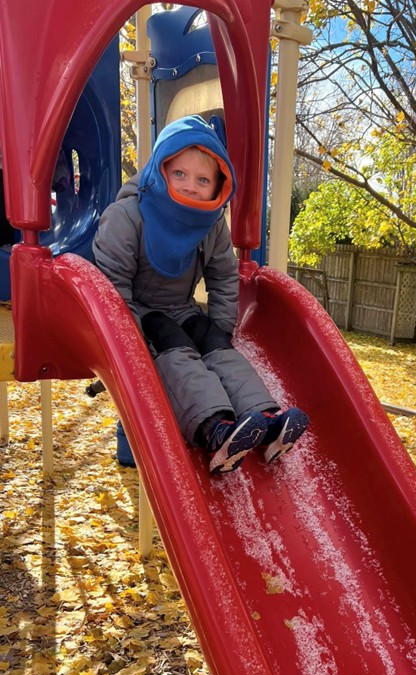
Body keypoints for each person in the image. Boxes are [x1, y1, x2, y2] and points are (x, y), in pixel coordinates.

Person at [93, 115, 308, 474]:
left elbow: (223, 275)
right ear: (160, 170)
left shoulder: (208, 223)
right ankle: (214, 427)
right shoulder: (127, 217)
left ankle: (264, 417)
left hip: (183, 308)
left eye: (202, 179)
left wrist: (221, 327)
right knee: (178, 353)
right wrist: (132, 349)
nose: (191, 186)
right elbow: (113, 288)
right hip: (142, 316)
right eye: (179, 174)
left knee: (218, 347)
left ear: (217, 188)